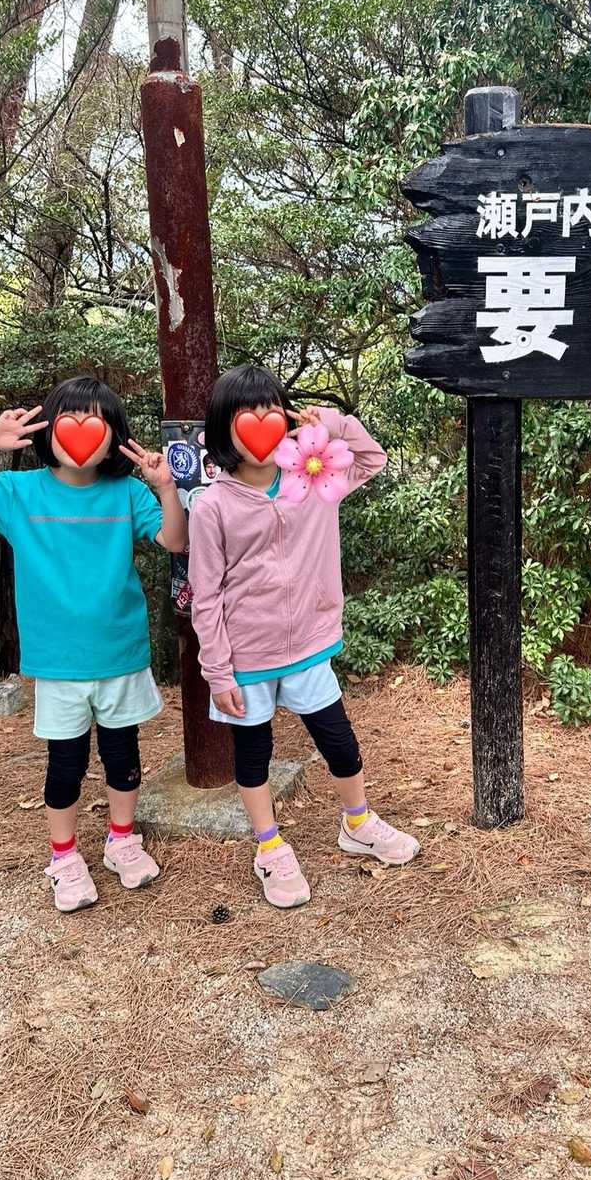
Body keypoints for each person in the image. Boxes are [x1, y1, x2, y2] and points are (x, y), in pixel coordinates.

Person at [0, 376, 187, 913]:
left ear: (113, 438)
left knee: (123, 754)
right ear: (50, 431)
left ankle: (121, 840)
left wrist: (166, 488)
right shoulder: (19, 492)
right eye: (72, 419)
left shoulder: (127, 493)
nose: (83, 431)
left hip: (120, 654)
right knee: (65, 763)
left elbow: (175, 541)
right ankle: (64, 857)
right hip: (58, 663)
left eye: (97, 422)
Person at [188, 363, 419, 908]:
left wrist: (331, 424)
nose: (262, 427)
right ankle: (269, 847)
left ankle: (357, 822)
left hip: (311, 644)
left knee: (338, 739)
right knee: (254, 753)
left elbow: (372, 458)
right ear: (223, 429)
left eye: (273, 413)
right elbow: (206, 594)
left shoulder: (314, 481)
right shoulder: (211, 506)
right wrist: (217, 671)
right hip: (246, 656)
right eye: (247, 417)